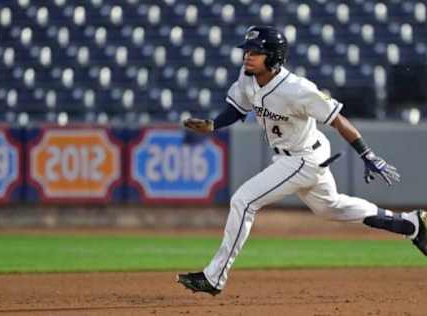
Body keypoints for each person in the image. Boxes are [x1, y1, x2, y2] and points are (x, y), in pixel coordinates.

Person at [176, 25, 426, 296]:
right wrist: (213, 125)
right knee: (331, 208)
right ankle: (410, 223)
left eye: (256, 52)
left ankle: (214, 277)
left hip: (303, 159)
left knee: (243, 200)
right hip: (296, 157)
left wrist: (367, 154)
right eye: (247, 50)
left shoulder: (298, 89)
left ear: (273, 56)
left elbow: (337, 119)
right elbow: (237, 108)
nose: (248, 56)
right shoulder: (248, 77)